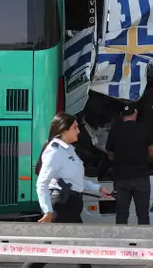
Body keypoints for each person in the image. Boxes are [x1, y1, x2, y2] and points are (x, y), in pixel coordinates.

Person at [23, 112, 112, 268]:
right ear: (64, 130)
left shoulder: (69, 150)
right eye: (75, 127)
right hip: (61, 205)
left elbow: (76, 182)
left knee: (81, 251)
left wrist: (99, 188)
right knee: (47, 251)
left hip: (70, 206)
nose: (79, 131)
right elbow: (41, 183)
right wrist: (47, 211)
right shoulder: (55, 151)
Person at [106, 105, 153, 225]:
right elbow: (151, 152)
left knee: (121, 215)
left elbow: (110, 155)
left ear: (122, 115)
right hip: (141, 177)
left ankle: (121, 241)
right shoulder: (143, 128)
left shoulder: (114, 130)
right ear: (135, 113)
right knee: (143, 215)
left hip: (121, 178)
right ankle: (144, 242)